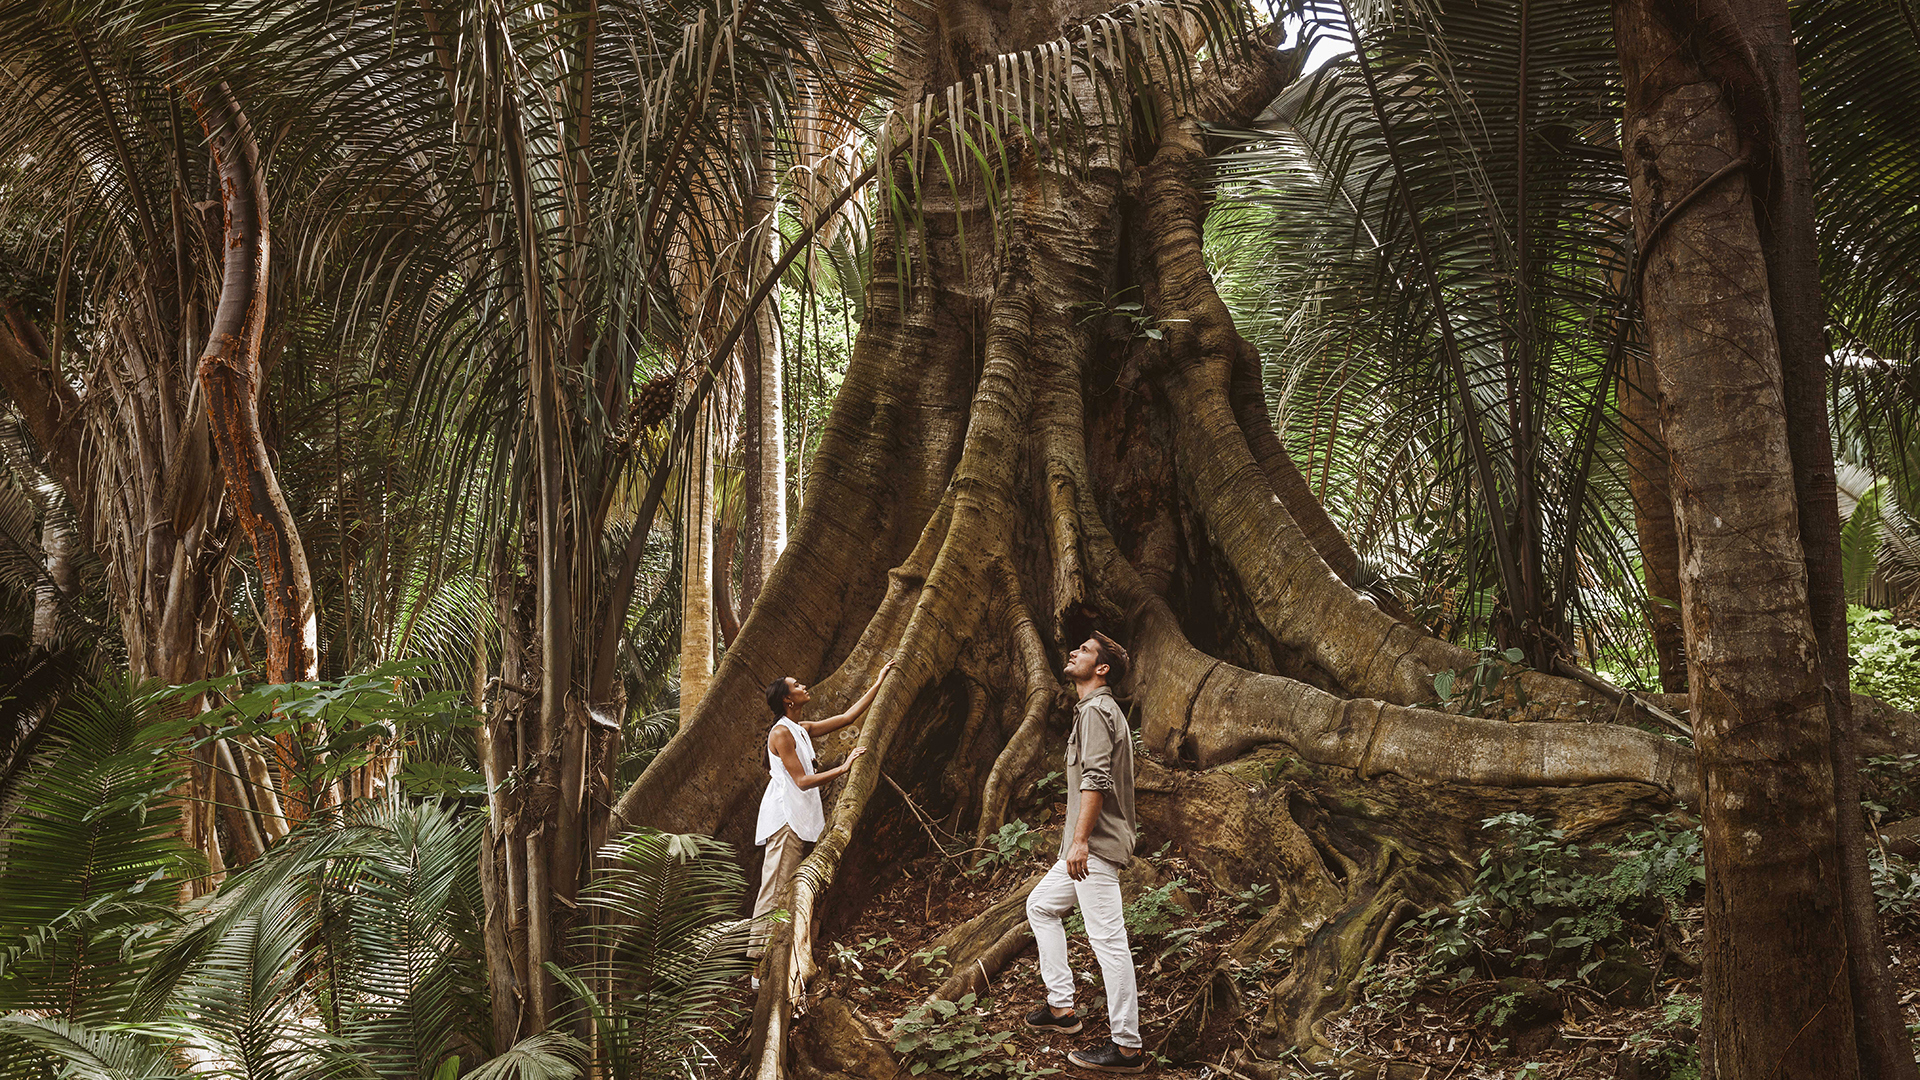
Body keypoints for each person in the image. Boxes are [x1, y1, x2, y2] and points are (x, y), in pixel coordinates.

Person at [1024, 631, 1144, 1073]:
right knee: (1040, 906)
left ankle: (1127, 1047)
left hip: (1091, 848)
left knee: (1109, 943)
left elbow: (1096, 779)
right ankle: (1061, 1009)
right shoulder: (1094, 711)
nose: (1073, 653)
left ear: (1102, 668)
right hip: (1085, 849)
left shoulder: (1097, 711)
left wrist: (1079, 841)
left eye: (1085, 651)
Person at [748, 658, 896, 963]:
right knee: (774, 888)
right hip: (784, 819)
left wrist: (880, 680)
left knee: (787, 888)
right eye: (797, 685)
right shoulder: (781, 734)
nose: (804, 686)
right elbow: (801, 780)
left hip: (796, 819)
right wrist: (843, 768)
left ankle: (778, 956)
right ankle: (758, 964)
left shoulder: (799, 728)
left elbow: (847, 717)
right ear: (788, 699)